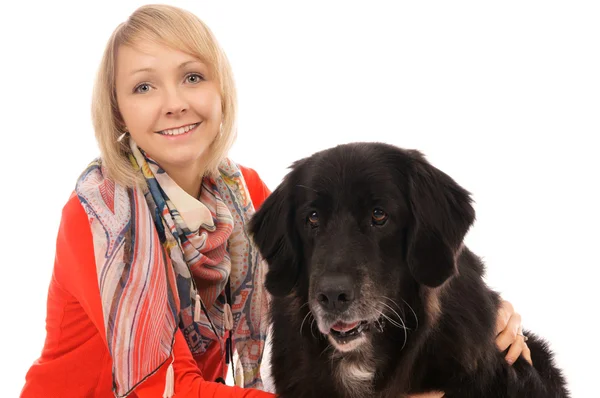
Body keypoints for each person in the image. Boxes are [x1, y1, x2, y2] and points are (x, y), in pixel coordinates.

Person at [20, 4, 530, 398]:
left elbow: (371, 266)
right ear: (118, 113)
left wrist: (488, 314)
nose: (174, 102)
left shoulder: (244, 196)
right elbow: (160, 389)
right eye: (144, 86)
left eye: (192, 76)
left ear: (221, 90)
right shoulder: (101, 220)